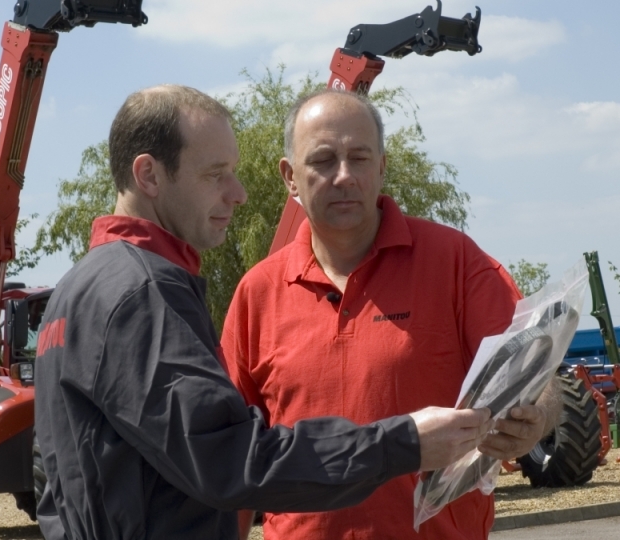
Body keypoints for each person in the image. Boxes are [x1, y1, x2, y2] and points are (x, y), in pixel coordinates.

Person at [34, 84, 495, 540]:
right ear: (150, 176)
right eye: (216, 174)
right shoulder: (145, 291)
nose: (239, 193)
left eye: (360, 157)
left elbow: (59, 489)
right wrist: (403, 443)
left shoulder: (75, 291)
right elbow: (230, 458)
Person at [221, 89, 562, 540]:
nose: (344, 176)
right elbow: (229, 455)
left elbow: (544, 382)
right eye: (322, 160)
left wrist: (535, 417)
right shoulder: (257, 294)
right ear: (289, 177)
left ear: (382, 166)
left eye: (359, 158)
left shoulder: (455, 262)